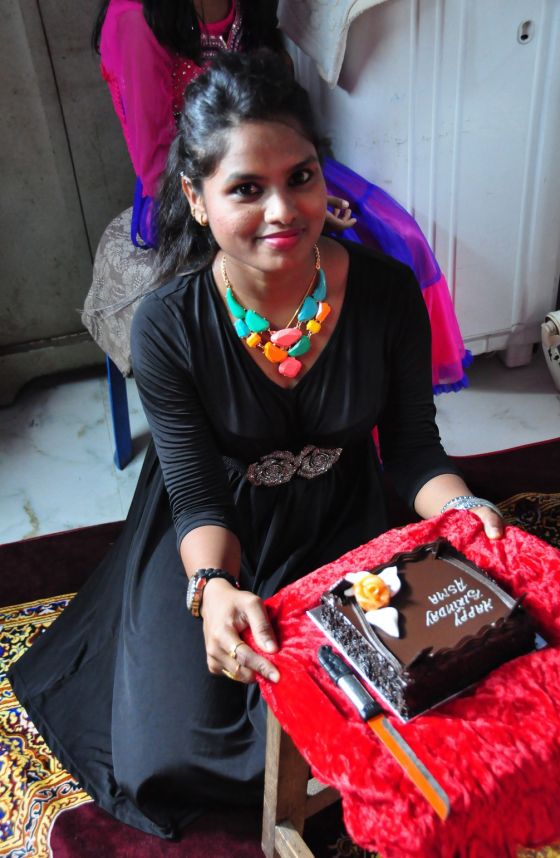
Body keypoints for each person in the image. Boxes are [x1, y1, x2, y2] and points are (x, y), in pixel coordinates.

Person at [10, 50, 500, 840]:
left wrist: (464, 510)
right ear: (196, 200)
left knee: (413, 693)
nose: (283, 210)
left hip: (343, 522)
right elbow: (195, 489)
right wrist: (212, 590)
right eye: (246, 188)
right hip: (217, 525)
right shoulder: (167, 324)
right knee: (175, 751)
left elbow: (412, 449)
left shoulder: (385, 292)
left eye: (300, 178)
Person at [86, 0, 469, 393]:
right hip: (194, 186)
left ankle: (382, 398)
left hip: (274, 164)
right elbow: (154, 160)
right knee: (327, 254)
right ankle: (327, 398)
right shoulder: (135, 19)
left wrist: (306, 191)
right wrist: (260, 201)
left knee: (399, 237)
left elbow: (282, 113)